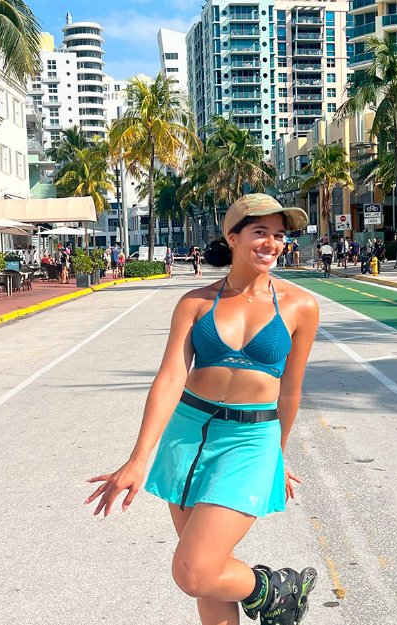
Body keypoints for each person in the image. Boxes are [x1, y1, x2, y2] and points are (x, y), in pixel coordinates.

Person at [86, 194, 320, 625]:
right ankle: (275, 591)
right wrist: (139, 458)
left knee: (195, 569)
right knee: (207, 575)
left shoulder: (300, 306)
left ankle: (276, 587)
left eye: (279, 235)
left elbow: (289, 393)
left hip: (251, 439)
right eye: (260, 232)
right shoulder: (195, 303)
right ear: (232, 237)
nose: (272, 243)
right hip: (188, 435)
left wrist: (277, 455)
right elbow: (171, 378)